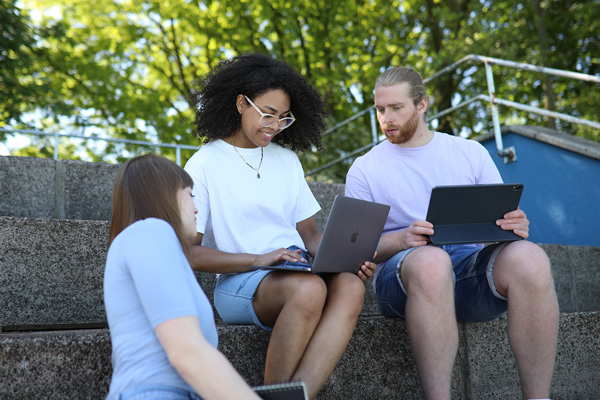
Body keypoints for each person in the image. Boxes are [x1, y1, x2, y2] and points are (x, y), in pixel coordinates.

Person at [345, 67, 559, 400]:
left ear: (422, 105)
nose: (386, 118)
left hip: (466, 271)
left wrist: (513, 225)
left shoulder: (469, 152)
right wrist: (401, 240)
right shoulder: (365, 168)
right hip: (401, 277)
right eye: (380, 109)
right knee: (431, 261)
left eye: (396, 108)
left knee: (530, 258)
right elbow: (349, 249)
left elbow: (499, 219)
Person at [184, 53, 375, 400]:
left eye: (283, 118)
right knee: (309, 290)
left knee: (350, 286)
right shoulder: (205, 163)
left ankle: (293, 396)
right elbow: (191, 253)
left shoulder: (287, 161)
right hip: (240, 280)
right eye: (267, 115)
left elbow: (312, 236)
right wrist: (260, 259)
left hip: (296, 266)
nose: (273, 126)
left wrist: (346, 257)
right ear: (242, 104)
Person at [104, 154, 262, 400]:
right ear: (163, 194)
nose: (196, 206)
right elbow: (186, 351)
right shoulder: (152, 231)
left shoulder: (149, 241)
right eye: (190, 193)